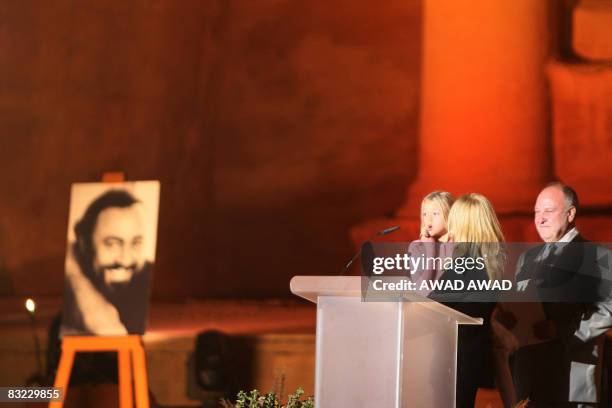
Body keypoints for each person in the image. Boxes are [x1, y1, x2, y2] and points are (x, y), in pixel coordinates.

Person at [512, 182, 612, 407]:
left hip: (571, 374)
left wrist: (562, 329)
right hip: (530, 377)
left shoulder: (597, 255)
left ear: (570, 213)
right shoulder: (526, 259)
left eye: (548, 210)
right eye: (536, 212)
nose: (540, 219)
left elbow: (608, 310)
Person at [429, 193, 505, 408]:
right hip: (468, 361)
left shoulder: (465, 264)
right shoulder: (491, 260)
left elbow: (433, 306)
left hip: (453, 363)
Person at [62, 189, 153, 335]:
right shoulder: (74, 284)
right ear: (85, 243)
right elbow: (102, 325)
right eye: (112, 244)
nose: (126, 259)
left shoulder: (148, 277)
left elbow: (112, 331)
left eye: (135, 243)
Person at [408, 191, 454, 291]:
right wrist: (430, 249)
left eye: (435, 214)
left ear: (449, 214)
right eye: (424, 214)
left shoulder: (461, 246)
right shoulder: (417, 247)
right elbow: (421, 289)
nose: (428, 220)